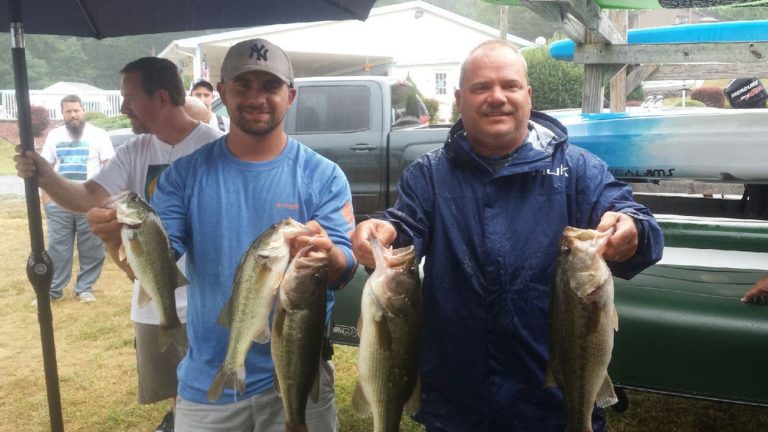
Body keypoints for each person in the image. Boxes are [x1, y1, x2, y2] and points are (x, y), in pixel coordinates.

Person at [351, 40, 664, 432]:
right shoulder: (429, 174)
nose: (497, 97)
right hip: (457, 404)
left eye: (509, 86)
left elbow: (642, 226)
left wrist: (633, 230)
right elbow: (405, 228)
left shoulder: (579, 170)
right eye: (482, 88)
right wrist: (384, 234)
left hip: (553, 405)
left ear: (528, 96)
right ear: (460, 99)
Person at [94, 39, 356, 432]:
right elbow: (159, 263)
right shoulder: (183, 177)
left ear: (291, 95)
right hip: (207, 379)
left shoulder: (323, 176)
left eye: (270, 86)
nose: (257, 97)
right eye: (243, 85)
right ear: (222, 92)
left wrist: (331, 254)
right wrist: (117, 241)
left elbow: (343, 270)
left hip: (300, 372)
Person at [15, 57, 223, 432]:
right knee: (177, 390)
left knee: (212, 397)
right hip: (153, 299)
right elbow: (87, 196)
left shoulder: (216, 148)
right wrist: (46, 176)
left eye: (129, 97)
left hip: (206, 300)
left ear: (160, 98)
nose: (123, 106)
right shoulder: (135, 149)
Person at [37, 94, 114, 304]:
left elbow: (109, 167)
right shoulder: (54, 136)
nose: (73, 115)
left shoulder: (99, 135)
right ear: (62, 113)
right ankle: (53, 290)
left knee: (91, 248)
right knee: (57, 248)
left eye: (76, 110)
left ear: (83, 111)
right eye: (68, 111)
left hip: (90, 202)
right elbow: (46, 168)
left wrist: (104, 200)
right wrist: (47, 200)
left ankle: (85, 288)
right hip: (59, 203)